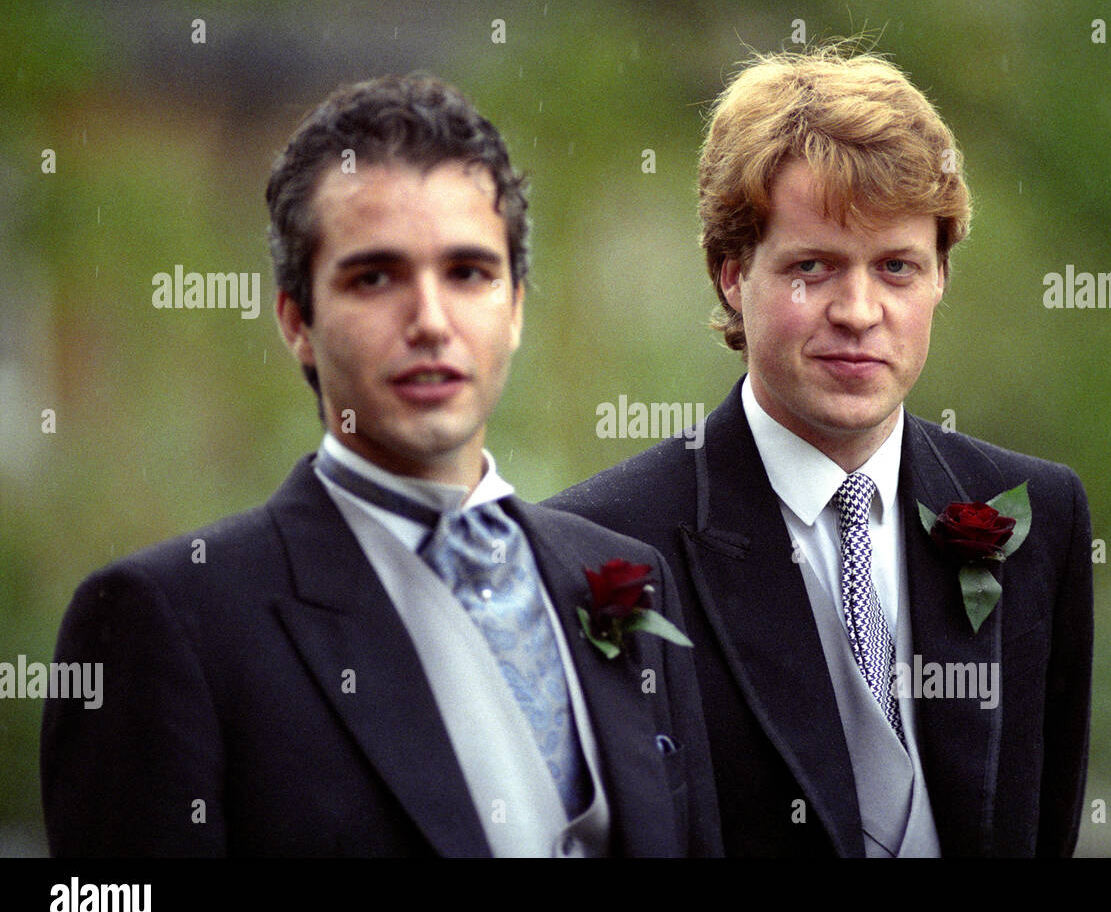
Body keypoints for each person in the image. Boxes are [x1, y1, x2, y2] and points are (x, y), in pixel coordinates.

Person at [41, 74, 721, 858]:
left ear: (517, 308)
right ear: (297, 321)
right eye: (375, 277)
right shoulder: (166, 622)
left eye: (468, 273)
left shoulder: (624, 578)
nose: (430, 321)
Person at [547, 49, 1093, 857]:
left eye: (897, 267)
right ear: (732, 274)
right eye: (814, 268)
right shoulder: (595, 549)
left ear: (941, 276)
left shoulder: (1036, 515)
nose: (860, 311)